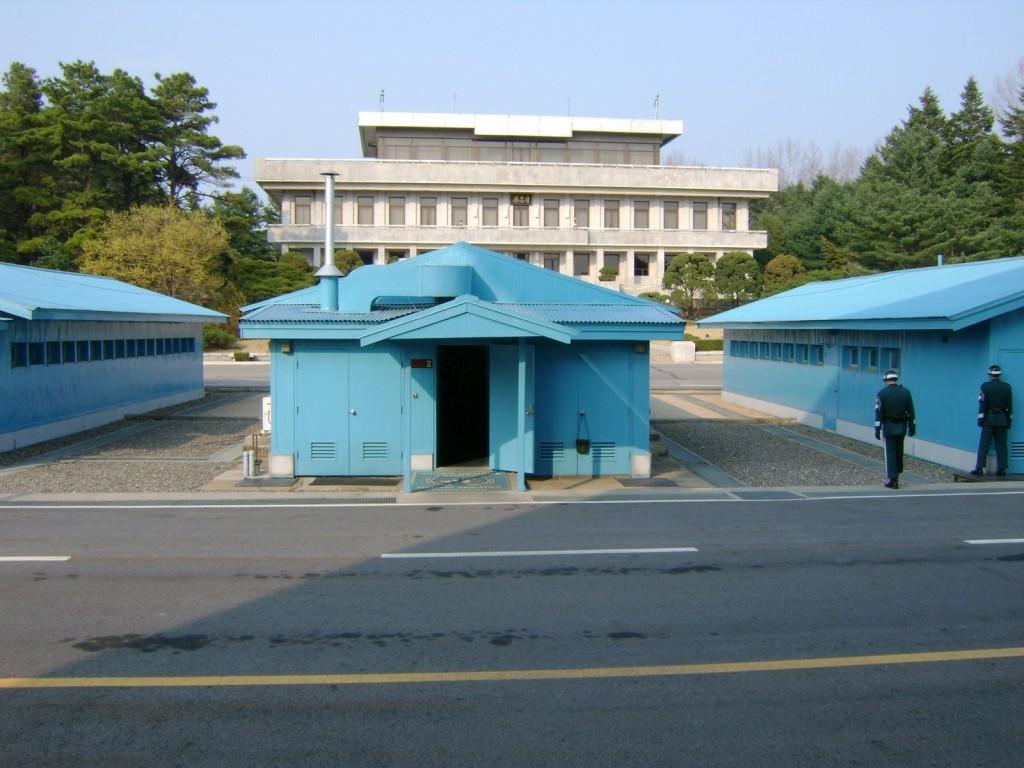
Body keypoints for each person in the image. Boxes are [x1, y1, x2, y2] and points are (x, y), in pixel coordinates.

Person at [874, 369, 916, 489]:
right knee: (899, 451)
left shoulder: (881, 394)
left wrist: (877, 428)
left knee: (890, 453)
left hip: (888, 426)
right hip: (901, 426)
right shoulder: (906, 392)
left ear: (886, 380)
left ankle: (892, 479)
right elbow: (911, 411)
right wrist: (912, 426)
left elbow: (878, 413)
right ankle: (897, 475)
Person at [970, 364, 1012, 477]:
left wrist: (980, 419)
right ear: (999, 375)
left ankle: (979, 467)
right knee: (1002, 445)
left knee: (984, 444)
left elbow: (982, 405)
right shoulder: (1007, 387)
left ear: (989, 374)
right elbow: (1009, 406)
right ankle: (1002, 468)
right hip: (1002, 419)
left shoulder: (985, 386)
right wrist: (1008, 420)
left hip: (988, 419)